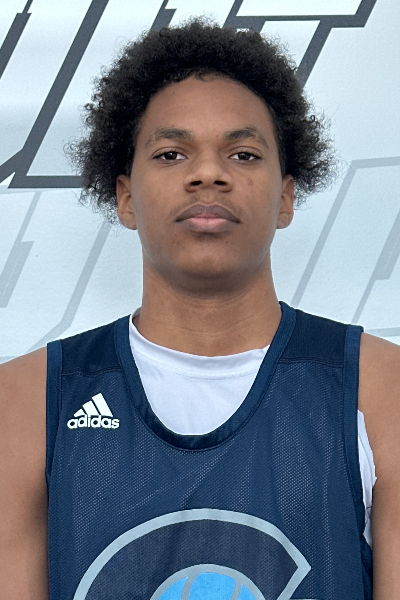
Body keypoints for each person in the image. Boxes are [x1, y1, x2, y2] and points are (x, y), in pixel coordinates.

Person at [1, 19, 399, 600]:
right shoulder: (25, 400)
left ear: (286, 197)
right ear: (126, 198)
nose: (208, 173)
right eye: (171, 153)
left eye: (242, 153)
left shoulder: (382, 389)